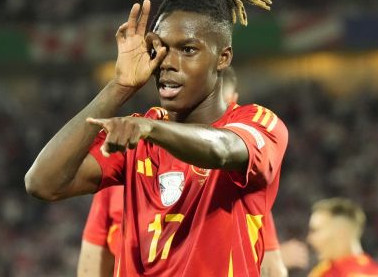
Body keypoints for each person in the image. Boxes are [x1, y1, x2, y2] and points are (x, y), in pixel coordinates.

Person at [25, 0, 288, 275]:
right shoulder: (140, 134)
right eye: (160, 48)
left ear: (223, 58)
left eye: (188, 50)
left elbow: (221, 149)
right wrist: (119, 87)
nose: (168, 62)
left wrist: (150, 128)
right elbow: (42, 182)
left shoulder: (259, 122)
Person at [77, 67, 291, 277]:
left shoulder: (240, 183)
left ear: (232, 100)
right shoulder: (126, 168)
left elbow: (271, 267)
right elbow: (92, 261)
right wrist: (119, 88)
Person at [307, 198, 378, 277]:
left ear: (341, 232)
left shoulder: (375, 275)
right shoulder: (321, 271)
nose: (310, 239)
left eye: (315, 230)